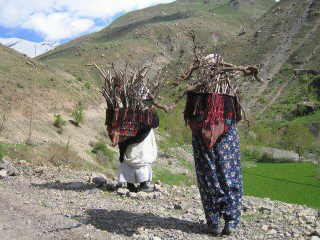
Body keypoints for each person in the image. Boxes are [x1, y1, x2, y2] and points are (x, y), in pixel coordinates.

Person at [184, 54, 243, 236]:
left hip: (201, 138)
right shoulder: (230, 91)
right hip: (227, 135)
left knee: (207, 174)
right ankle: (231, 222)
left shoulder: (195, 92)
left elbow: (188, 116)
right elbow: (238, 116)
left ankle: (214, 222)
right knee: (229, 172)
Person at [118, 123, 158, 192]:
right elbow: (155, 122)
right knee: (142, 157)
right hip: (143, 134)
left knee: (131, 154)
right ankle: (143, 184)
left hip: (129, 131)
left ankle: (130, 184)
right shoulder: (147, 112)